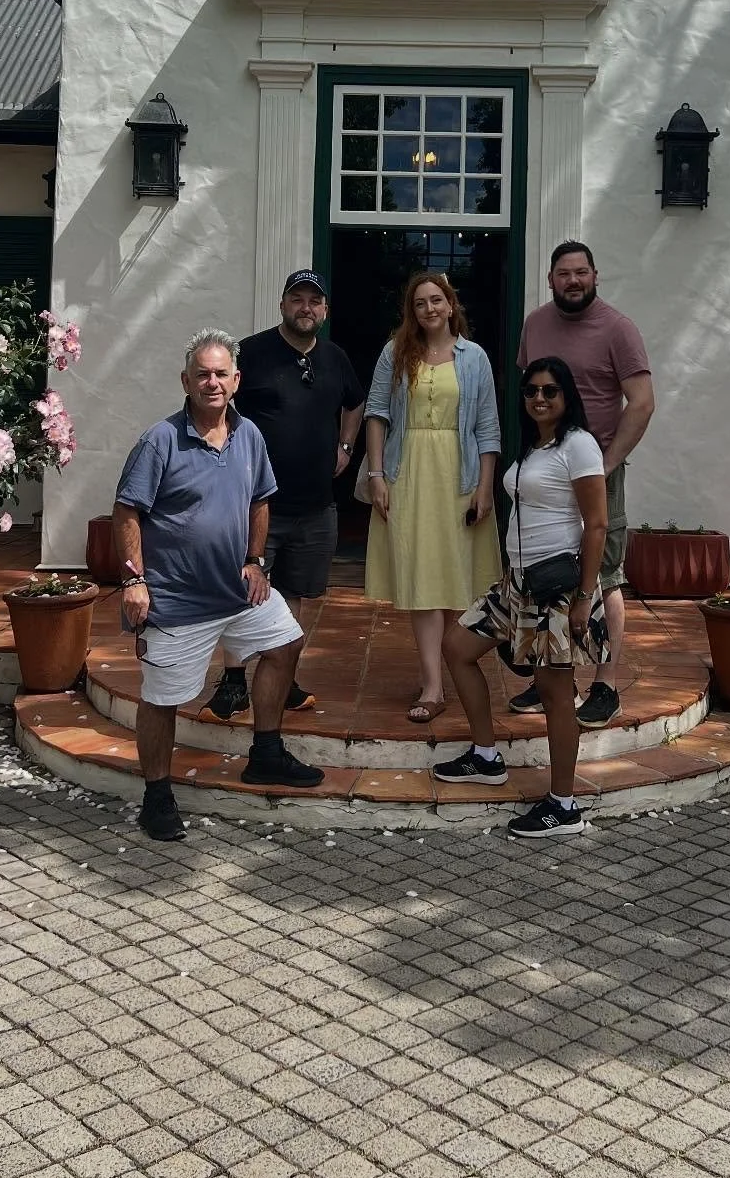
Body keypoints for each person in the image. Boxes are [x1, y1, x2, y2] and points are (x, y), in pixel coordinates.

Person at [113, 328, 324, 843]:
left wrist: (255, 560)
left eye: (221, 374)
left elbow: (260, 499)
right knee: (161, 699)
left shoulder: (249, 435)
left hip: (237, 592)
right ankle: (157, 797)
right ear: (186, 381)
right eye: (202, 374)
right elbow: (127, 511)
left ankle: (266, 753)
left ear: (236, 380)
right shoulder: (160, 440)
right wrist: (134, 579)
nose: (212, 382)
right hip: (176, 600)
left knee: (286, 643)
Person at [433, 356, 609, 837]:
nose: (539, 399)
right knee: (457, 647)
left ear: (566, 395)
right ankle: (486, 756)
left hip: (556, 589)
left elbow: (596, 525)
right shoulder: (535, 446)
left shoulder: (579, 445)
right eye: (531, 391)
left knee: (555, 695)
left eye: (550, 391)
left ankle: (564, 805)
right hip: (516, 584)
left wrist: (584, 597)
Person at [208, 270, 364, 722]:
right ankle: (234, 681)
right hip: (257, 503)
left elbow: (355, 402)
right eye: (297, 299)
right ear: (282, 305)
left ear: (325, 310)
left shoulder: (335, 358)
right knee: (243, 590)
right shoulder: (251, 353)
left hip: (315, 504)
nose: (305, 308)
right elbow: (217, 400)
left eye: (314, 301)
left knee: (293, 594)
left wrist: (346, 445)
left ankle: (285, 674)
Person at [514, 241, 653, 727]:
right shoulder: (535, 324)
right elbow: (530, 393)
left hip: (595, 471)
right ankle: (551, 678)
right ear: (550, 279)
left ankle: (605, 683)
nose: (572, 281)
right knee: (545, 568)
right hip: (545, 468)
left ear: (595, 275)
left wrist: (607, 464)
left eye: (581, 272)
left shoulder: (618, 328)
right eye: (563, 273)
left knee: (604, 576)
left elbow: (642, 402)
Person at [363, 270, 502, 722]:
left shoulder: (474, 357)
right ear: (412, 310)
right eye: (420, 302)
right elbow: (376, 415)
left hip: (459, 476)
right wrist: (377, 475)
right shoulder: (394, 352)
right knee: (421, 580)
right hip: (408, 475)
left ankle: (459, 669)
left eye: (436, 300)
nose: (429, 309)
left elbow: (488, 427)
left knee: (457, 579)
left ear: (450, 304)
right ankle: (432, 685)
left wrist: (485, 486)